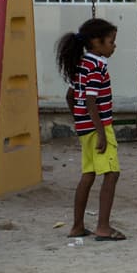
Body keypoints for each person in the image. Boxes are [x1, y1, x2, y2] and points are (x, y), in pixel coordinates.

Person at [55, 18, 127, 241]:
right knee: (111, 173)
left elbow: (71, 96)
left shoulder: (81, 65)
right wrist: (101, 132)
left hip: (85, 129)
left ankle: (77, 226)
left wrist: (79, 122)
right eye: (111, 41)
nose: (114, 46)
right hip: (99, 127)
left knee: (88, 175)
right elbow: (90, 100)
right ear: (96, 42)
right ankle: (103, 227)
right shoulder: (96, 67)